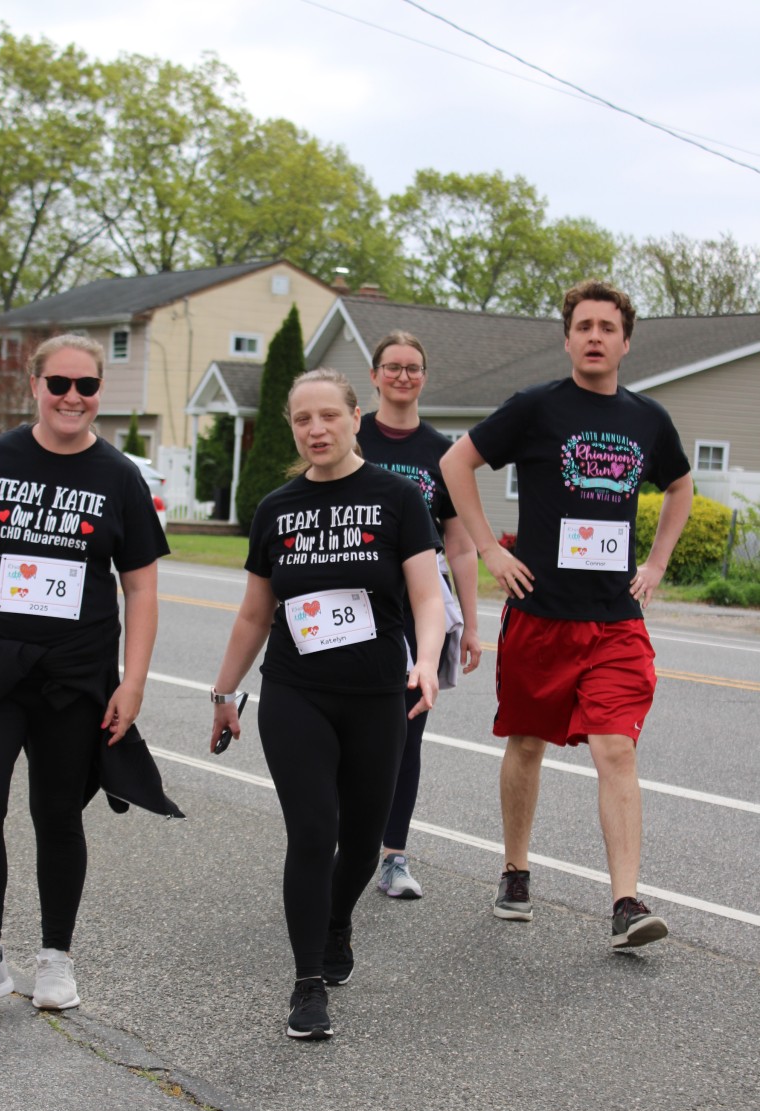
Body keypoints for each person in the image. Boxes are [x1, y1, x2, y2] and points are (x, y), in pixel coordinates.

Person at [0, 333, 170, 1012]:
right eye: (59, 384)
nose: (72, 397)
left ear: (99, 393)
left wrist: (133, 682)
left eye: (87, 386)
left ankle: (56, 958)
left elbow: (141, 588)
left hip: (74, 674)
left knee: (57, 811)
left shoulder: (119, 476)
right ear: (35, 386)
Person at [440, 280, 693, 949]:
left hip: (615, 618)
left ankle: (626, 904)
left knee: (616, 747)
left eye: (607, 327)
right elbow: (456, 461)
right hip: (541, 612)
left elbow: (679, 484)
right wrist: (490, 548)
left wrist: (657, 563)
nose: (595, 337)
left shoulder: (648, 419)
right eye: (584, 326)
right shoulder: (536, 407)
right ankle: (516, 870)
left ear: (626, 342)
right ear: (567, 338)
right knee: (527, 743)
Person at [211, 368, 446, 1039]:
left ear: (354, 418)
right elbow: (254, 614)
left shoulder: (397, 498)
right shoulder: (276, 509)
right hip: (296, 693)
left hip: (377, 695)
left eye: (328, 416)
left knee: (364, 843)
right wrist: (224, 693)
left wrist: (427, 661)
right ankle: (307, 982)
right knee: (314, 833)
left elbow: (427, 597)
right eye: (302, 419)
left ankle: (338, 919)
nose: (316, 430)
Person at [358, 330, 482, 900]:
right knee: (348, 729)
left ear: (424, 377)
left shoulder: (441, 452)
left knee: (405, 733)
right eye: (392, 366)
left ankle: (393, 857)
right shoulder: (351, 436)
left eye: (412, 367)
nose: (402, 376)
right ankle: (342, 842)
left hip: (418, 611)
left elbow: (459, 544)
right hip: (354, 605)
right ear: (374, 375)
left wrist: (472, 625)